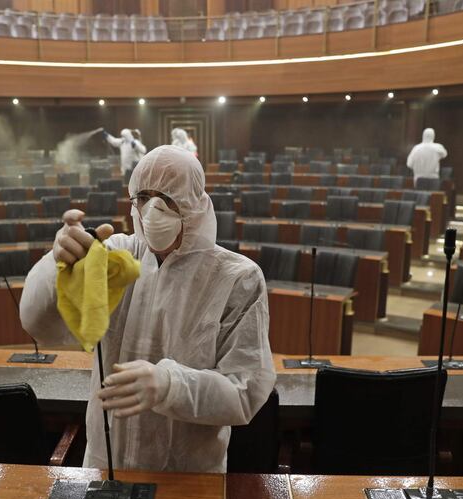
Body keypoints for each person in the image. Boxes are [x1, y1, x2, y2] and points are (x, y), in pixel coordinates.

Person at [20, 145, 275, 473]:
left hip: (189, 475)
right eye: (143, 197)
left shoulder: (236, 278)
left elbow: (245, 392)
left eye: (168, 198)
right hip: (106, 465)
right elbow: (38, 323)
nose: (153, 209)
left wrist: (171, 385)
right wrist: (57, 265)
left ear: (194, 203)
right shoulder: (116, 257)